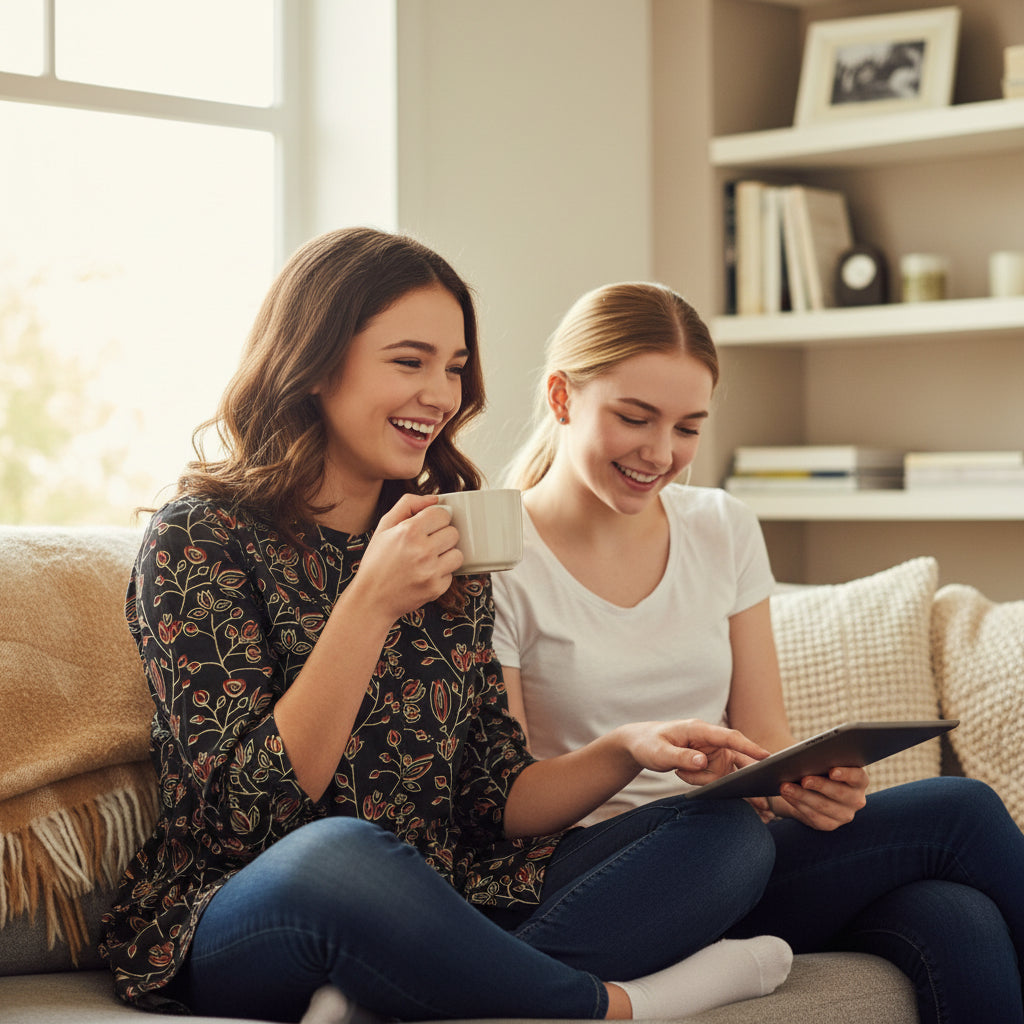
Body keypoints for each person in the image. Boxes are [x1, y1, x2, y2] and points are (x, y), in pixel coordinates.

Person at [99, 229, 795, 1024]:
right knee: (343, 854)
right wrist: (369, 605)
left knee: (727, 836)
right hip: (249, 907)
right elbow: (240, 818)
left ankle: (412, 988)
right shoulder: (201, 539)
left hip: (449, 895)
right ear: (319, 361)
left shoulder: (453, 535)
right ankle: (616, 1005)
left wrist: (623, 749)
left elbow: (494, 801)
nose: (442, 393)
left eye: (455, 367)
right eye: (410, 361)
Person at [493, 280, 1024, 1024]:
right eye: (635, 418)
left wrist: (800, 786)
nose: (660, 452)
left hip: (737, 847)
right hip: (603, 876)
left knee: (954, 916)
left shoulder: (722, 527)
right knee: (957, 811)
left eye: (687, 427)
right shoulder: (498, 561)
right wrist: (632, 750)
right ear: (561, 397)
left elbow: (764, 737)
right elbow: (509, 804)